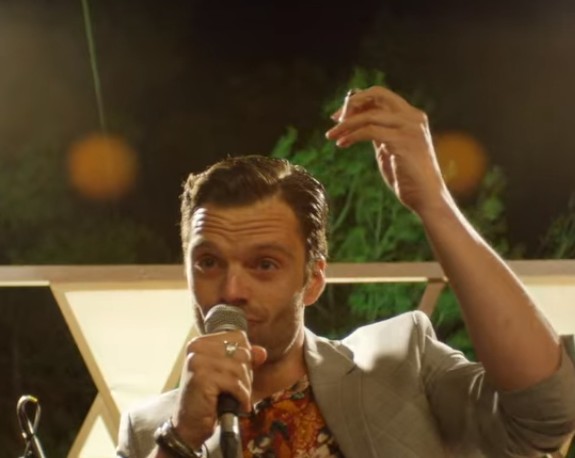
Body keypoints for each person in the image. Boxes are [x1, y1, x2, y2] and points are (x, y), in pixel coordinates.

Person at [117, 86, 575, 458]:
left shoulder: (401, 364)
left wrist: (434, 202)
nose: (232, 290)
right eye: (209, 262)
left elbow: (547, 413)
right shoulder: (148, 431)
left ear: (313, 279)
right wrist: (180, 439)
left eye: (265, 264)